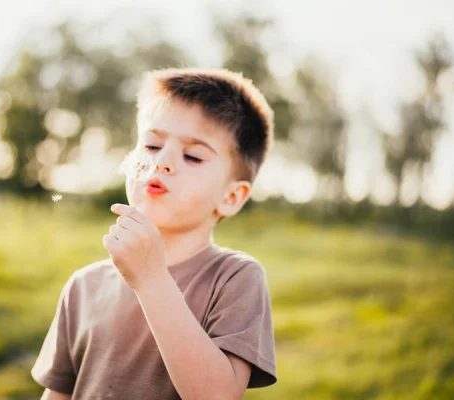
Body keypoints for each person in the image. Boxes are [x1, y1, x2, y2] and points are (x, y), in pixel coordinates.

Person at [31, 67, 278, 400]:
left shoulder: (235, 278)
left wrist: (151, 280)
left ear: (230, 197)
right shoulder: (83, 286)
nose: (162, 161)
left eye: (192, 156)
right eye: (150, 145)